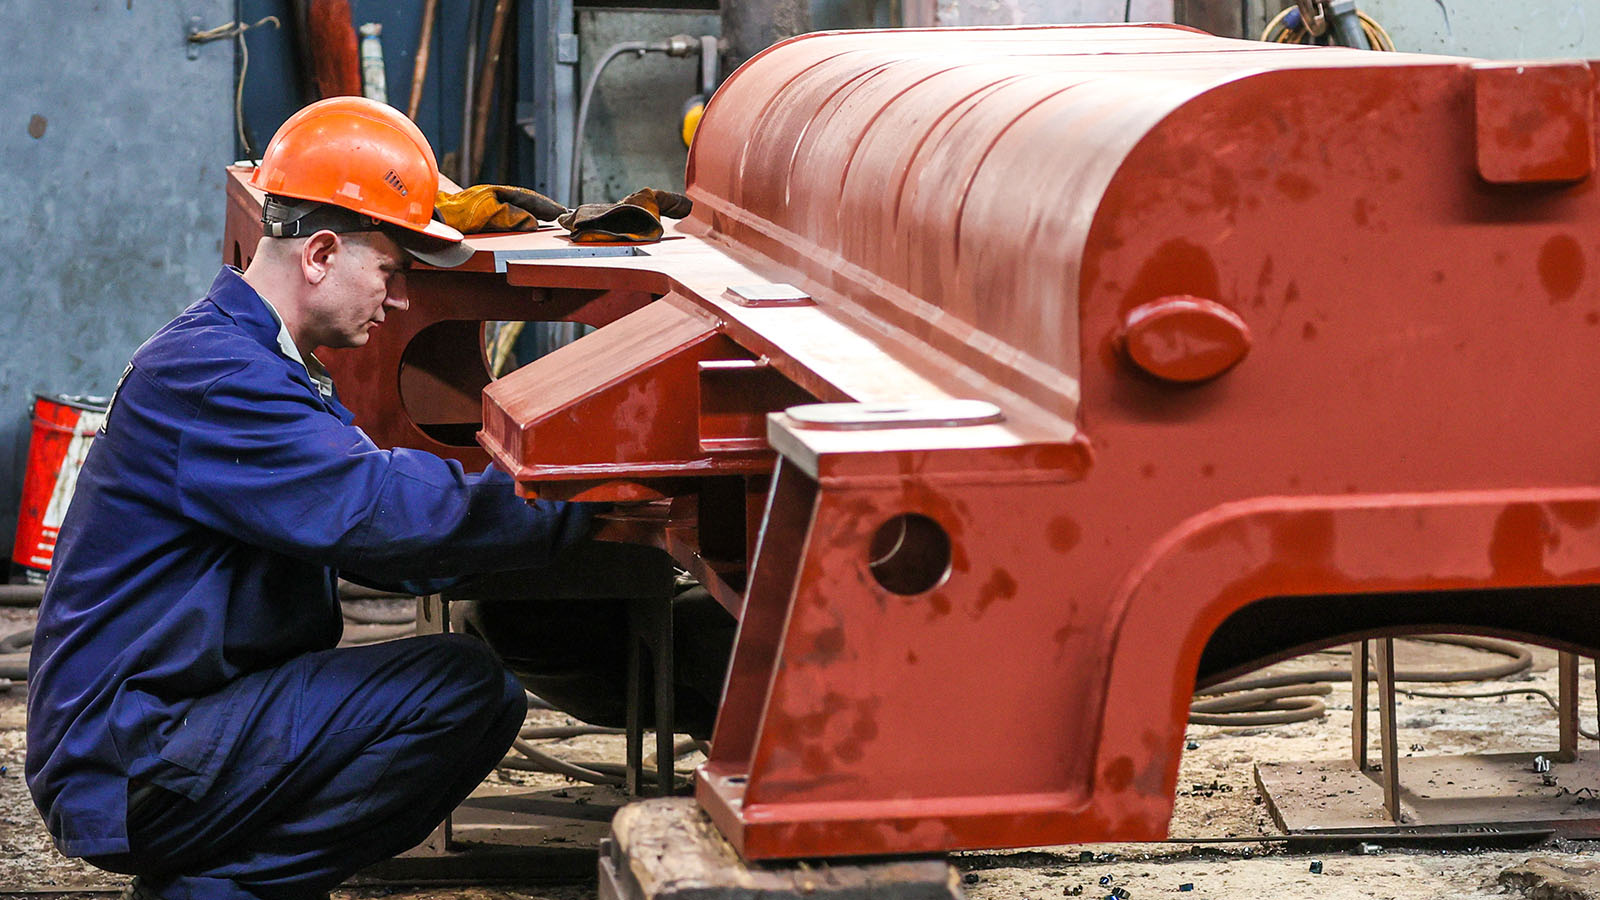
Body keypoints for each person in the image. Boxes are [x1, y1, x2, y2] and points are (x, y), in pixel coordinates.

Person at [25, 96, 600, 900]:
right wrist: (587, 497)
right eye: (390, 271)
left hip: (164, 723)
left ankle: (218, 882)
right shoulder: (221, 377)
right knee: (461, 693)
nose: (397, 300)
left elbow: (381, 533)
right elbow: (379, 514)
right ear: (322, 252)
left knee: (455, 685)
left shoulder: (248, 353)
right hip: (131, 754)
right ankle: (223, 892)